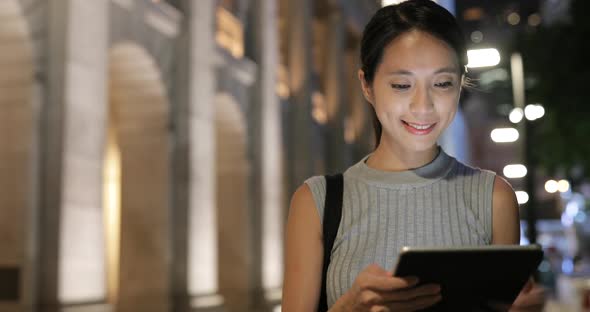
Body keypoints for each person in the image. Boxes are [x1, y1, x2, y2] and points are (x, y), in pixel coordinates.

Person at [281, 0, 546, 311]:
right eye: (402, 85)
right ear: (367, 85)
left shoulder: (493, 197)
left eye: (443, 83)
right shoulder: (317, 202)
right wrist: (348, 307)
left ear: (460, 84)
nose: (423, 106)